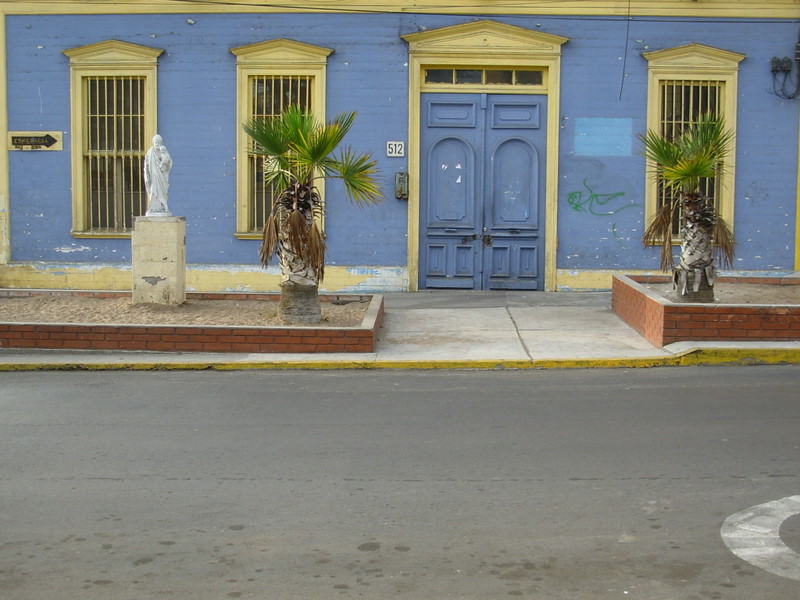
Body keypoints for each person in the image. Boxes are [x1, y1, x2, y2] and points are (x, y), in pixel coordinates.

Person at [144, 134, 173, 216]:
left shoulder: (164, 152)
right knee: (153, 191)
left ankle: (163, 207)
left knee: (163, 191)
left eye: (159, 142)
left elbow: (169, 162)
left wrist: (166, 164)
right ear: (153, 142)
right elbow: (146, 165)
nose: (157, 143)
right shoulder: (150, 153)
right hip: (153, 176)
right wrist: (147, 175)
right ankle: (153, 208)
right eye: (156, 142)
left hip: (162, 176)